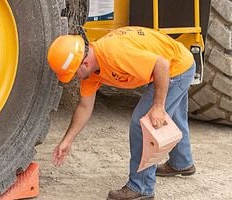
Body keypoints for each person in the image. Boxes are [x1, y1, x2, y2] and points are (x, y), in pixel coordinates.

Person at [47, 26, 196, 200]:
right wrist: (67, 141)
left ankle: (141, 187)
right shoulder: (90, 72)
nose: (74, 78)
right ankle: (182, 163)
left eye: (73, 74)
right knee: (174, 116)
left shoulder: (114, 54)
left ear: (85, 63)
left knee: (143, 123)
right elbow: (84, 107)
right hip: (173, 61)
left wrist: (158, 106)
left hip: (175, 68)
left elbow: (161, 64)